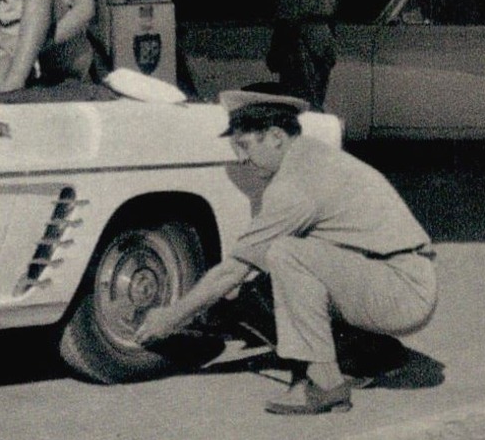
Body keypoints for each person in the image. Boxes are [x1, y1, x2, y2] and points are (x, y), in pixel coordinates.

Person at [135, 92, 437, 415]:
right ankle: (369, 352)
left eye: (246, 145)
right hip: (396, 277)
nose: (241, 159)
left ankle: (324, 383)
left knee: (284, 255)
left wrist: (170, 317)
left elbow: (232, 271)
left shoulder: (295, 183)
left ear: (277, 137)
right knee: (273, 273)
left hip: (401, 290)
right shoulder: (311, 157)